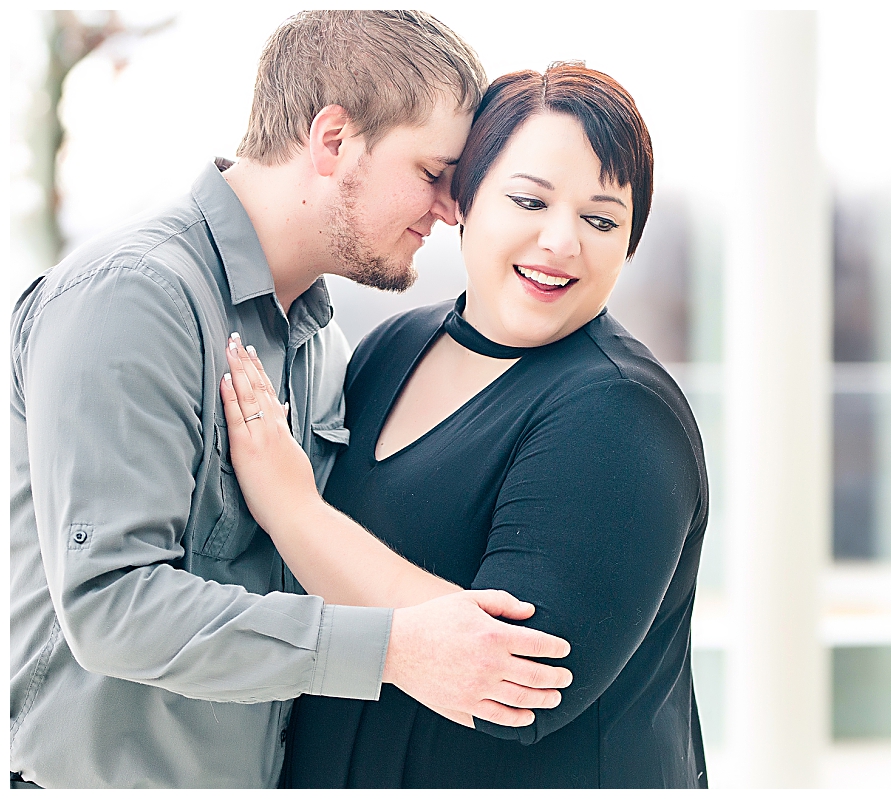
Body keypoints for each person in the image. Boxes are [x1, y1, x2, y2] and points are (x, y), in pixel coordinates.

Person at [9, 12, 573, 790]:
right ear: (333, 140)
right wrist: (393, 648)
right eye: (431, 171)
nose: (451, 209)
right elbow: (112, 604)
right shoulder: (135, 297)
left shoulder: (320, 340)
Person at [219, 63, 710, 789]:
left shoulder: (618, 413)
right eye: (528, 200)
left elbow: (515, 684)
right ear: (462, 199)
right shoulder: (391, 349)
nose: (561, 241)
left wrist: (291, 508)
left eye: (600, 219)